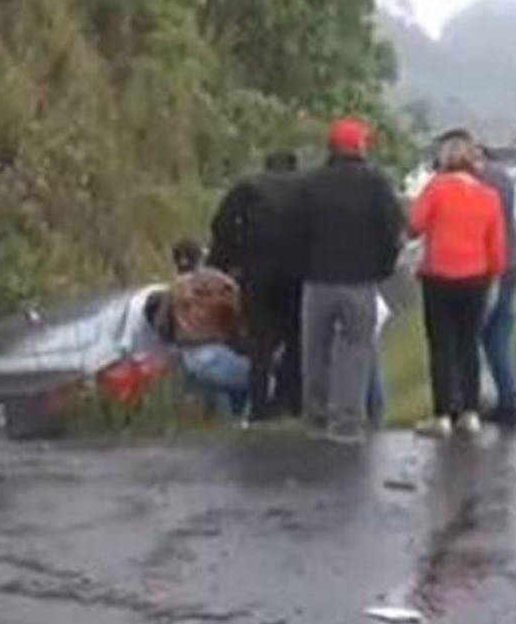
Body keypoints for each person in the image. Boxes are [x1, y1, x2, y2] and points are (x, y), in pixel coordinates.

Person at [297, 118, 403, 442]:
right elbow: (392, 233)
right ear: (360, 146)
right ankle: (346, 424)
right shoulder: (377, 185)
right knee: (356, 352)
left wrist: (305, 265)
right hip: (360, 282)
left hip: (318, 281)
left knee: (315, 351)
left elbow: (296, 231)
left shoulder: (311, 183)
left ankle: (315, 419)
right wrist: (382, 269)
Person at [410, 131, 506, 438]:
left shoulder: (436, 189)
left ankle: (443, 415)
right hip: (476, 277)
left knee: (442, 346)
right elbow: (497, 245)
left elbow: (415, 225)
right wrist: (494, 274)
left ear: (445, 159)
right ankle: (470, 412)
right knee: (468, 345)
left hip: (439, 276)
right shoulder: (489, 196)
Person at [208, 152, 304, 420]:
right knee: (296, 342)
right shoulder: (308, 187)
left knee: (261, 343)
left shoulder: (249, 186)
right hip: (297, 274)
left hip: (258, 272)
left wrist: (235, 256)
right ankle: (291, 405)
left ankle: (260, 408)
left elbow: (221, 224)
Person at [154, 251, 250, 419]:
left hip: (188, 354)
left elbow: (161, 324)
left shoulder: (175, 287)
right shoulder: (226, 284)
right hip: (218, 350)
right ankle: (243, 420)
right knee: (250, 380)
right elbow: (237, 323)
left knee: (208, 390)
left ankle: (220, 421)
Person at [475, 143, 516, 428]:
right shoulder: (503, 177)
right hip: (512, 262)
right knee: (499, 335)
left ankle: (465, 402)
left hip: (486, 266)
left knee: (466, 336)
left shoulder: (478, 181)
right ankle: (509, 400)